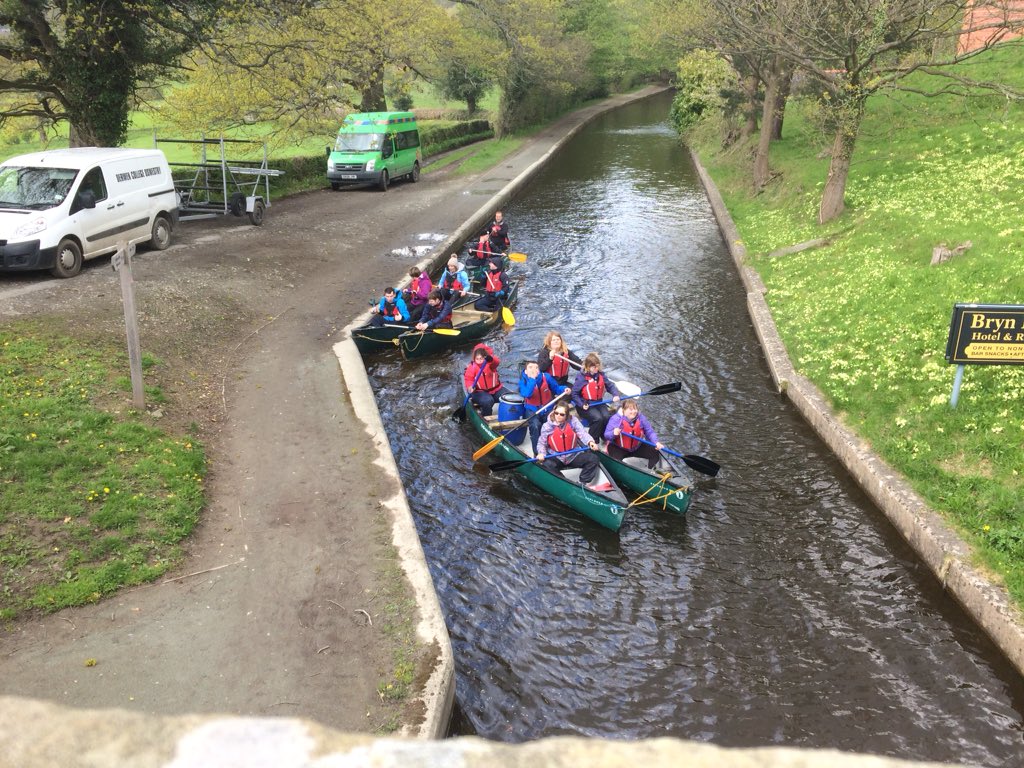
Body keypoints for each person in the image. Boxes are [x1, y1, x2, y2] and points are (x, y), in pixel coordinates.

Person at [536, 404, 602, 487]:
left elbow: (582, 433)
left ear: (566, 415)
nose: (558, 416)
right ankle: (564, 481)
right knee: (546, 464)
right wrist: (541, 453)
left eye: (562, 414)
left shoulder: (573, 421)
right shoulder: (547, 426)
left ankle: (583, 483)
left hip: (573, 455)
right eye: (556, 413)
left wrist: (590, 442)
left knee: (593, 458)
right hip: (556, 456)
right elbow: (541, 443)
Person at [518, 360, 568, 453]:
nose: (534, 369)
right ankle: (537, 453)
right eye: (531, 367)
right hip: (532, 409)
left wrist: (564, 389)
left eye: (536, 367)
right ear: (526, 371)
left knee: (554, 424)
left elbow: (556, 388)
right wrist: (532, 379)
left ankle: (554, 448)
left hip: (547, 408)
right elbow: (527, 394)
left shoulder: (546, 377)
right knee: (536, 426)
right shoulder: (523, 381)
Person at [571, 352, 621, 443]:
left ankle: (605, 436)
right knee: (598, 418)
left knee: (606, 416)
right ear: (588, 367)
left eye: (598, 366)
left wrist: (615, 394)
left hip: (599, 402)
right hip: (585, 405)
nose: (596, 369)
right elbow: (574, 394)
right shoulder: (581, 378)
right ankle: (593, 440)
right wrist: (581, 404)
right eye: (594, 367)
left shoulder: (601, 375)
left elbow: (610, 385)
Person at [604, 399, 664, 469]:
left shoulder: (641, 418)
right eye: (631, 409)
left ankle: (651, 470)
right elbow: (607, 435)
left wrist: (655, 442)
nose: (634, 411)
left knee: (655, 452)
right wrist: (613, 433)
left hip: (636, 448)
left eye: (635, 409)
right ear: (624, 410)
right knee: (617, 464)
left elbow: (649, 431)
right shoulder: (616, 419)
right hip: (618, 448)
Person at [463, 343, 502, 415]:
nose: (479, 361)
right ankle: (486, 417)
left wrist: (491, 359)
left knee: (508, 397)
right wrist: (470, 387)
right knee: (488, 401)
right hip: (479, 392)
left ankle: (506, 414)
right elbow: (468, 379)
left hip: (496, 389)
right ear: (474, 359)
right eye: (477, 359)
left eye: (481, 358)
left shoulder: (490, 364)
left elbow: (496, 362)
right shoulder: (471, 367)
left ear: (485, 357)